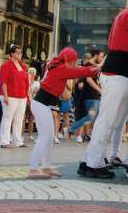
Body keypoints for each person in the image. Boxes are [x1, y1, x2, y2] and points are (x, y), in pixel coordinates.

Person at [79, 0, 128, 179]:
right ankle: (93, 163)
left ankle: (90, 160)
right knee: (108, 120)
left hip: (120, 74)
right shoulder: (126, 15)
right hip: (117, 75)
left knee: (111, 121)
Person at [29, 47, 102, 179]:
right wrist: (99, 66)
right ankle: (33, 169)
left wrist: (97, 66)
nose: (74, 64)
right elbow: (83, 71)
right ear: (68, 59)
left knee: (49, 136)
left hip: (42, 105)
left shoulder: (58, 65)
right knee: (45, 137)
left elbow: (81, 70)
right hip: (40, 104)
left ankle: (46, 167)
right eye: (73, 61)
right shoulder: (62, 68)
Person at [0, 44, 30, 148]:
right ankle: (5, 141)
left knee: (19, 119)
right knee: (7, 118)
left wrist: (27, 96)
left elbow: (26, 82)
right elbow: (3, 82)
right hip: (10, 95)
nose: (20, 54)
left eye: (20, 52)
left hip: (22, 96)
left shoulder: (22, 66)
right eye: (18, 52)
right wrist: (6, 96)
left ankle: (17, 141)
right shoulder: (6, 65)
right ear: (12, 53)